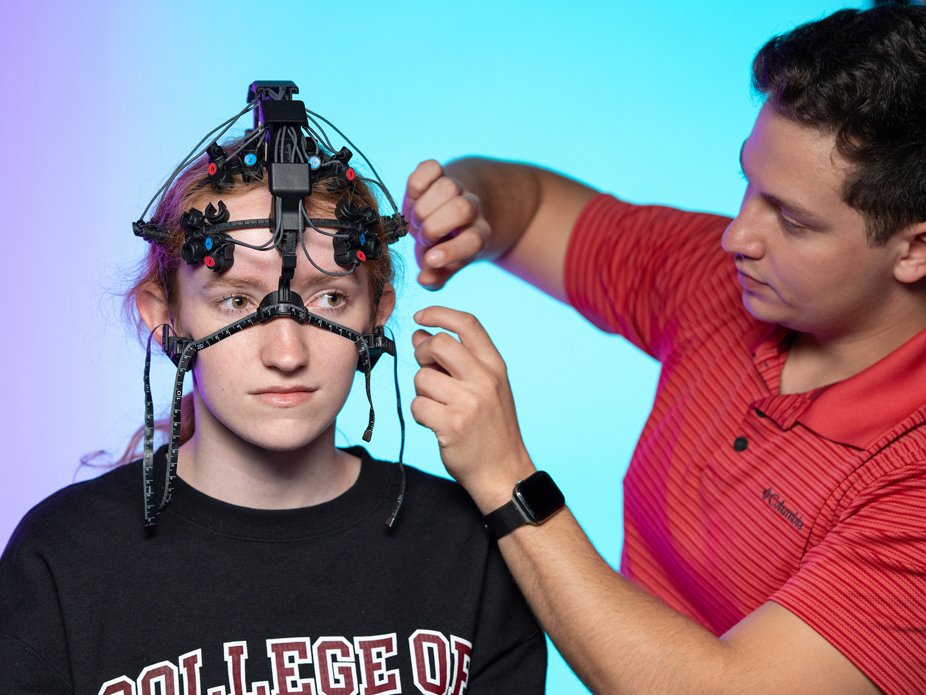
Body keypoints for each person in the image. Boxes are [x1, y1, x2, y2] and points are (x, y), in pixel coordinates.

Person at [403, 5, 926, 695]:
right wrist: (467, 206)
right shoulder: (724, 281)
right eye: (748, 182)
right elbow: (524, 208)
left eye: (792, 220)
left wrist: (507, 479)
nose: (738, 234)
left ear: (915, 247)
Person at [0, 91, 546, 694]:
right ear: (166, 317)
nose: (286, 354)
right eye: (236, 300)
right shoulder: (66, 558)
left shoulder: (468, 553)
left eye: (329, 298)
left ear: (377, 316)